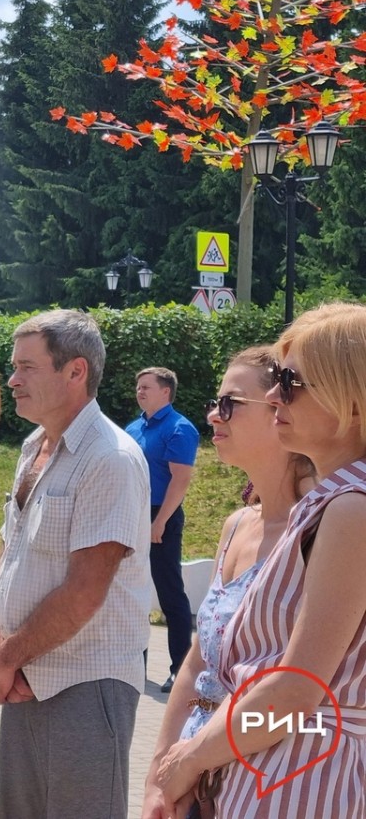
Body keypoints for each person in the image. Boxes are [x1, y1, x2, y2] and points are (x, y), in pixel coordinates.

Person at [155, 303, 366, 818]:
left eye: (291, 383)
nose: (274, 396)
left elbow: (297, 689)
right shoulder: (334, 504)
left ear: (351, 400)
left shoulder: (350, 509)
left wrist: (188, 760)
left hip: (299, 784)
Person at [0, 309, 151, 819]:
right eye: (14, 365)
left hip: (85, 683)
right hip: (25, 676)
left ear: (76, 371)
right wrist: (2, 649)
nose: (11, 380)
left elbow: (84, 592)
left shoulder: (111, 459)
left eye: (27, 367)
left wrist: (7, 658)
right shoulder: (34, 446)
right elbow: (7, 554)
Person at [141, 347, 314, 819]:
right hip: (197, 773)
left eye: (231, 403)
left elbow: (298, 692)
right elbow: (200, 658)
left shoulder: (322, 531)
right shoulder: (237, 523)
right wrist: (161, 772)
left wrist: (190, 761)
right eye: (216, 403)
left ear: (281, 410)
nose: (215, 415)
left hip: (271, 778)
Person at [126, 366, 200, 693]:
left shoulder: (179, 428)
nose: (139, 391)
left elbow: (180, 481)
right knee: (131, 592)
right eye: (138, 387)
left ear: (165, 392)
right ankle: (133, 666)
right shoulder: (133, 428)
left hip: (160, 516)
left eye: (146, 387)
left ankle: (181, 670)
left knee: (170, 595)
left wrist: (160, 522)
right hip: (131, 514)